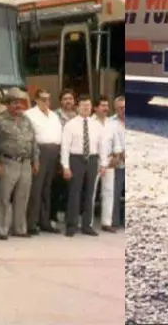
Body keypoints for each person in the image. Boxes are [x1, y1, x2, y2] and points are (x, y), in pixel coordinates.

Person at [60, 95, 108, 237]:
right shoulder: (70, 125)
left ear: (91, 107)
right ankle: (71, 225)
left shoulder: (97, 125)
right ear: (78, 107)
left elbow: (102, 146)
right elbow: (65, 147)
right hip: (76, 159)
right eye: (83, 105)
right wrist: (65, 166)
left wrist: (103, 163)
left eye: (88, 105)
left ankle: (87, 225)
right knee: (74, 192)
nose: (86, 107)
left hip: (92, 159)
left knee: (90, 193)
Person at [0, 88, 38, 239]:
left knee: (22, 197)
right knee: (4, 197)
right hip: (8, 161)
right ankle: (2, 229)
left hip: (25, 163)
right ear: (7, 104)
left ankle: (20, 229)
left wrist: (36, 160)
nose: (18, 105)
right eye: (14, 103)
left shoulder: (26, 120)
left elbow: (33, 141)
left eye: (20, 102)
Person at [25, 89, 63, 235]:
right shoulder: (29, 114)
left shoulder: (53, 115)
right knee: (36, 189)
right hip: (39, 151)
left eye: (48, 99)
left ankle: (45, 221)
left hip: (54, 152)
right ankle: (31, 223)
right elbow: (30, 138)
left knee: (47, 189)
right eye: (43, 99)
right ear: (36, 100)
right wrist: (34, 158)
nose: (46, 102)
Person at [50, 89, 78, 225]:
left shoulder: (78, 115)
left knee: (72, 189)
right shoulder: (54, 116)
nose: (68, 101)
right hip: (59, 155)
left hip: (75, 156)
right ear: (60, 101)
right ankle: (52, 217)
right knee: (57, 187)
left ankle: (70, 217)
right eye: (65, 99)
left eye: (70, 98)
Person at [100, 96, 127, 232]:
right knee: (115, 193)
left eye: (125, 107)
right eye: (120, 108)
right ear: (115, 109)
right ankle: (114, 221)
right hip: (118, 162)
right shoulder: (110, 123)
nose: (123, 110)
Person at [89, 96, 111, 226]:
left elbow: (115, 141)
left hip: (110, 160)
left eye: (107, 105)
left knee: (108, 191)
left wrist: (115, 155)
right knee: (91, 191)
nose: (106, 108)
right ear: (95, 108)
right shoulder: (90, 122)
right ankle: (88, 222)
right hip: (95, 159)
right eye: (103, 105)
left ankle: (106, 222)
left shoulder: (111, 122)